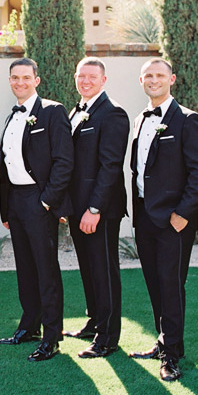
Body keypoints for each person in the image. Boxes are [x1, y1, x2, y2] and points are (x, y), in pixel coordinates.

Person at [129, 58, 198, 382]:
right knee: (154, 284)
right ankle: (163, 341)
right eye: (148, 75)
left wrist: (182, 215)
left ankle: (172, 356)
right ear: (141, 80)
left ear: (172, 79)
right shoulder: (140, 120)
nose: (154, 80)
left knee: (171, 286)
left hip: (174, 221)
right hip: (145, 219)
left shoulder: (188, 121)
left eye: (159, 75)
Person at [0, 57, 73, 362]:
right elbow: (5, 163)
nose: (20, 83)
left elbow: (64, 161)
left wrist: (47, 200)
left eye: (26, 78)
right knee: (25, 269)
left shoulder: (52, 112)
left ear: (36, 81)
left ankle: (52, 337)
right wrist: (5, 209)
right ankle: (29, 327)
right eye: (15, 78)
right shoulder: (12, 116)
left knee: (46, 270)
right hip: (15, 202)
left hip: (38, 200)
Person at [64, 57, 130, 358]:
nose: (85, 81)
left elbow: (110, 167)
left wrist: (94, 209)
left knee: (103, 270)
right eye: (81, 76)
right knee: (88, 269)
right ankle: (94, 322)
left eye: (92, 77)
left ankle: (107, 338)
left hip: (99, 209)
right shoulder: (75, 111)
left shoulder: (112, 114)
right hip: (78, 208)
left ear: (103, 80)